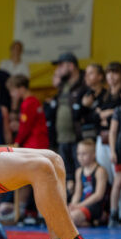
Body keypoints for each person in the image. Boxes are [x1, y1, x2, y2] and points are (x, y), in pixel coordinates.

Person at [50, 52, 86, 188]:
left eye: (60, 66)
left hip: (77, 137)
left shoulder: (83, 84)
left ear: (71, 66)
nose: (57, 70)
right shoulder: (63, 85)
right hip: (62, 138)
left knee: (81, 173)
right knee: (66, 175)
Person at [96, 62, 121, 189]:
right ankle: (108, 205)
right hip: (103, 136)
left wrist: (108, 113)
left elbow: (120, 111)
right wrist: (104, 115)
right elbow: (95, 115)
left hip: (118, 137)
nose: (111, 76)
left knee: (118, 174)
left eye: (115, 72)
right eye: (108, 72)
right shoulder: (104, 94)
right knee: (106, 173)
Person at [68, 139, 108, 227]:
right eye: (78, 154)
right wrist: (73, 205)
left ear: (94, 155)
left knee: (70, 218)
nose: (80, 157)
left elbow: (99, 195)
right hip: (82, 207)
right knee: (63, 216)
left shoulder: (100, 171)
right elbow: (77, 193)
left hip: (95, 206)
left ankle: (98, 218)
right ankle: (92, 223)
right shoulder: (79, 171)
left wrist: (79, 205)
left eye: (84, 154)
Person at [6, 74, 49, 149]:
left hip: (34, 144)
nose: (11, 94)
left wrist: (17, 142)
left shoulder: (27, 104)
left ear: (22, 88)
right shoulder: (34, 100)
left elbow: (25, 127)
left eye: (12, 91)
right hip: (40, 141)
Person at [79, 64, 106, 140]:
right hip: (86, 136)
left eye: (90, 73)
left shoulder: (106, 94)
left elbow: (103, 117)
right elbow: (76, 117)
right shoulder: (83, 94)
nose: (86, 76)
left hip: (102, 136)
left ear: (100, 76)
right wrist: (84, 105)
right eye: (86, 74)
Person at [109, 100, 121, 227]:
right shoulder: (119, 110)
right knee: (118, 182)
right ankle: (113, 215)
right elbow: (113, 132)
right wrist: (112, 151)